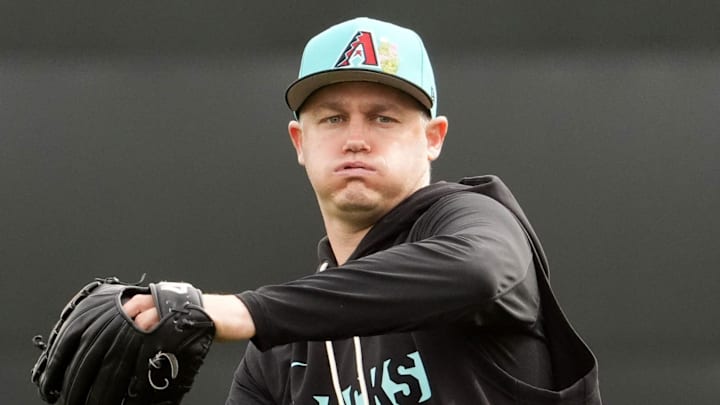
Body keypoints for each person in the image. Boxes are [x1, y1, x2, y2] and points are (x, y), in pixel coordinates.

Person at [123, 17, 601, 404]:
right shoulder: (282, 355)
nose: (355, 138)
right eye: (333, 117)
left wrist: (249, 309)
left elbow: (478, 271)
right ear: (300, 142)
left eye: (382, 117)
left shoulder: (474, 221)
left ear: (433, 138)